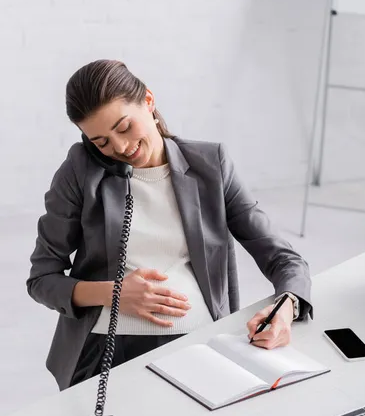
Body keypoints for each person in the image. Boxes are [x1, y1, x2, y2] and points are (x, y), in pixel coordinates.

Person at [27, 59, 313, 391]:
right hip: (104, 349)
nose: (119, 148)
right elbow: (41, 279)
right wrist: (114, 293)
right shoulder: (79, 172)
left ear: (148, 101)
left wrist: (284, 308)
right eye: (101, 142)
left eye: (123, 127)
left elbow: (282, 258)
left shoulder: (211, 165)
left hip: (198, 343)